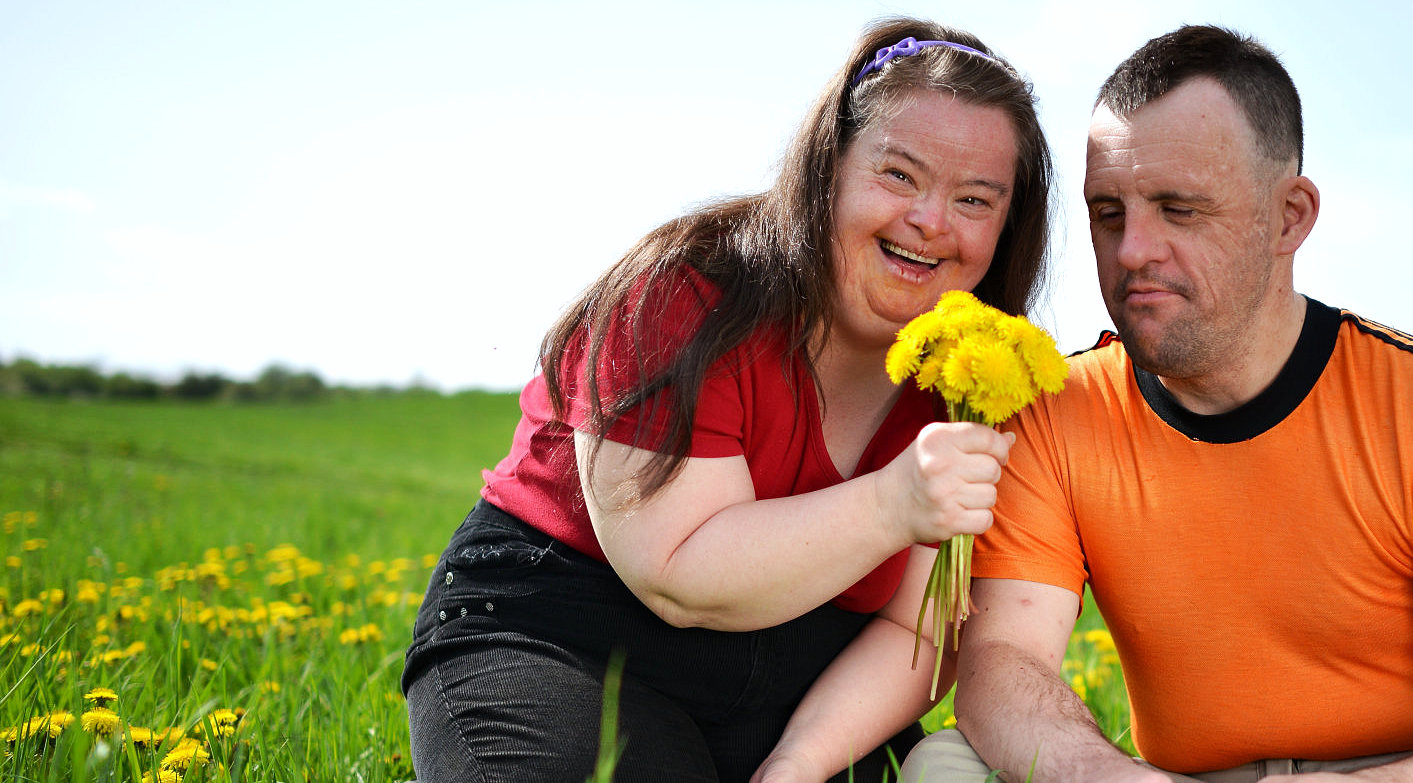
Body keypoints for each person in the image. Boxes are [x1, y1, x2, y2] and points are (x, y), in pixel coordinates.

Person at [901, 25, 1413, 783]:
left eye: (1179, 209)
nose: (1132, 251)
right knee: (947, 764)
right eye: (1108, 212)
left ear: (1290, 216)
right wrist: (1113, 778)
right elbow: (1002, 663)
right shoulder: (1057, 410)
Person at [401, 18, 1053, 783]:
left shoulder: (974, 380)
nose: (931, 221)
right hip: (568, 636)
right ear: (828, 168)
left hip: (804, 692)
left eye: (975, 200)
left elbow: (919, 629)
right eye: (899, 175)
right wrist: (896, 501)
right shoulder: (683, 294)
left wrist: (801, 762)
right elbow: (676, 573)